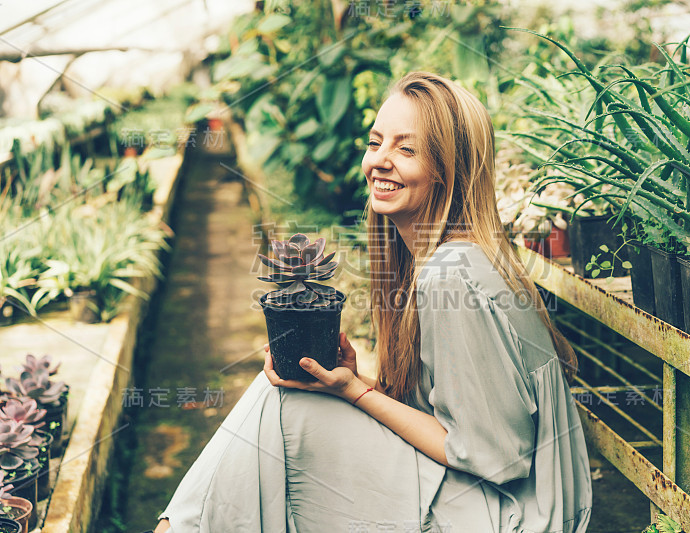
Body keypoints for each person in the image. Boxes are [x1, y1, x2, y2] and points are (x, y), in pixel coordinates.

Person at [152, 72, 592, 533]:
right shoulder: (433, 260)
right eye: (375, 142)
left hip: (510, 514)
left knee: (282, 411)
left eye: (407, 149)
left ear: (452, 170)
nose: (379, 161)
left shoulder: (452, 274)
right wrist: (356, 379)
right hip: (488, 498)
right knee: (283, 390)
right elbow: (451, 411)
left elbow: (497, 458)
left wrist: (355, 391)